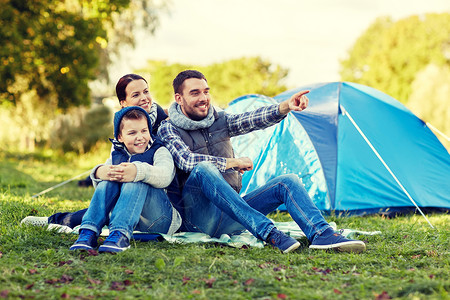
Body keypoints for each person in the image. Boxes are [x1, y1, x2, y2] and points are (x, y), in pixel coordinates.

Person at [158, 70, 366, 253]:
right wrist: (232, 162)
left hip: (234, 214)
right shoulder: (168, 128)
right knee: (203, 168)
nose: (204, 97)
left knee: (288, 181)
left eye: (206, 91)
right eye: (195, 93)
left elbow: (251, 119)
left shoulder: (220, 120)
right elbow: (186, 160)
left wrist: (285, 107)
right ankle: (269, 232)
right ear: (179, 98)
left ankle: (322, 234)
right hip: (198, 218)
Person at [21, 74, 173, 230]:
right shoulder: (123, 127)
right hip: (127, 197)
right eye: (136, 95)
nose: (144, 98)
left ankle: (67, 221)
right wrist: (102, 172)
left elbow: (167, 171)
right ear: (123, 103)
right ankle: (55, 221)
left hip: (159, 199)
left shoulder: (166, 123)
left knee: (125, 194)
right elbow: (112, 167)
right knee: (100, 210)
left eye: (146, 92)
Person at [70, 106, 178, 252]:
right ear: (120, 137)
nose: (140, 137)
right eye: (132, 133)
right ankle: (89, 231)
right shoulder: (117, 152)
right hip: (134, 221)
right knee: (110, 178)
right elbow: (104, 189)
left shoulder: (159, 150)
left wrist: (138, 171)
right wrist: (99, 172)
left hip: (158, 219)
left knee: (137, 178)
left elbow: (165, 176)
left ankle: (120, 234)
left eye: (144, 131)